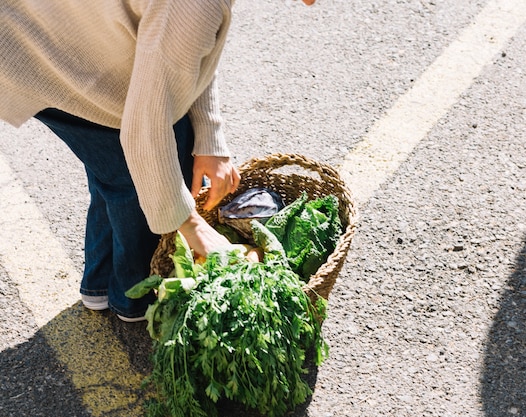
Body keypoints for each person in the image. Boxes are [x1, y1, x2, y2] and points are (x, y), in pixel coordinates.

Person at [0, 0, 315, 322]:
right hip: (42, 53)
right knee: (140, 181)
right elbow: (145, 128)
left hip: (57, 32)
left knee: (116, 173)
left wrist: (208, 135)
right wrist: (191, 226)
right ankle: (132, 298)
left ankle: (100, 288)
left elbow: (189, 45)